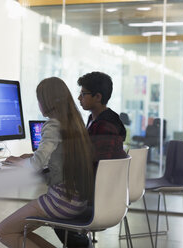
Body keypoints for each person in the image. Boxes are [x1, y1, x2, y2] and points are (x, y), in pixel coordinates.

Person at [0, 77, 95, 248]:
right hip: (78, 201)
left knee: (4, 231)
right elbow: (58, 156)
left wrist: (19, 163)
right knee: (18, 230)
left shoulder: (52, 125)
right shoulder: (75, 123)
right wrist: (28, 158)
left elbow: (36, 165)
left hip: (61, 201)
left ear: (46, 102)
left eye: (39, 100)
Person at [55, 71, 127, 247]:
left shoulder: (104, 127)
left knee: (56, 209)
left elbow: (93, 165)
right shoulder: (97, 120)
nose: (79, 97)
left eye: (83, 93)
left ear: (97, 97)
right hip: (109, 194)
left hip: (99, 197)